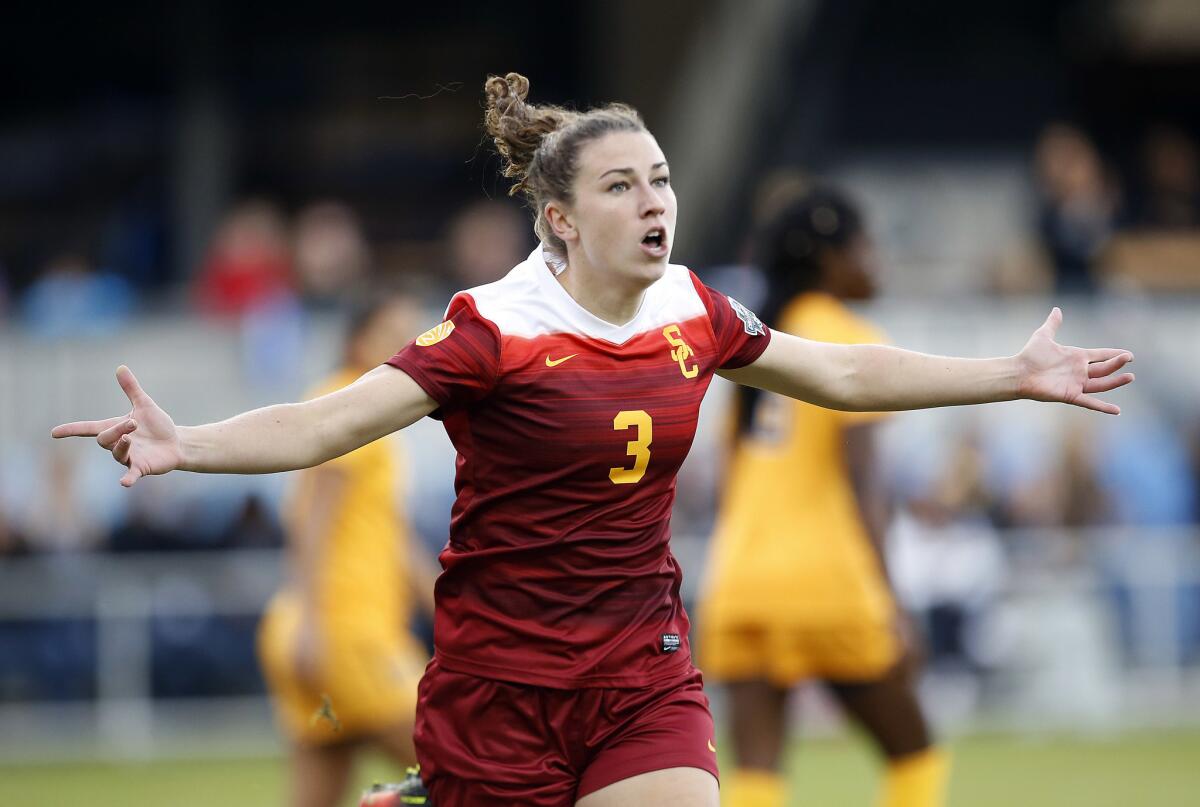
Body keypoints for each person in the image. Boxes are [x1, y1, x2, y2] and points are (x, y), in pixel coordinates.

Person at [51, 72, 1135, 807]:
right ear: (560, 220)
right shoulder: (493, 329)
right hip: (497, 690)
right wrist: (184, 443)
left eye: (660, 178)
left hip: (640, 671)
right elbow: (326, 422)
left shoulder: (693, 308)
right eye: (622, 186)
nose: (654, 202)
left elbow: (841, 370)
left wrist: (1012, 376)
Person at [697, 186, 948, 807]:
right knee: (915, 754)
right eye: (863, 245)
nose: (874, 260)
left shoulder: (754, 347)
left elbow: (732, 482)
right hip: (827, 581)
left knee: (757, 772)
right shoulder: (847, 335)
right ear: (828, 259)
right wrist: (893, 601)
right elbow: (866, 485)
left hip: (741, 581)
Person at [256, 293, 435, 807]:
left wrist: (442, 607)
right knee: (463, 764)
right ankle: (390, 803)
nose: (407, 347)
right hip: (347, 634)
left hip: (311, 634)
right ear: (358, 341)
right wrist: (313, 619)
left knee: (316, 791)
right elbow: (312, 521)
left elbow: (393, 538)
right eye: (392, 333)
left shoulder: (349, 406)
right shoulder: (352, 406)